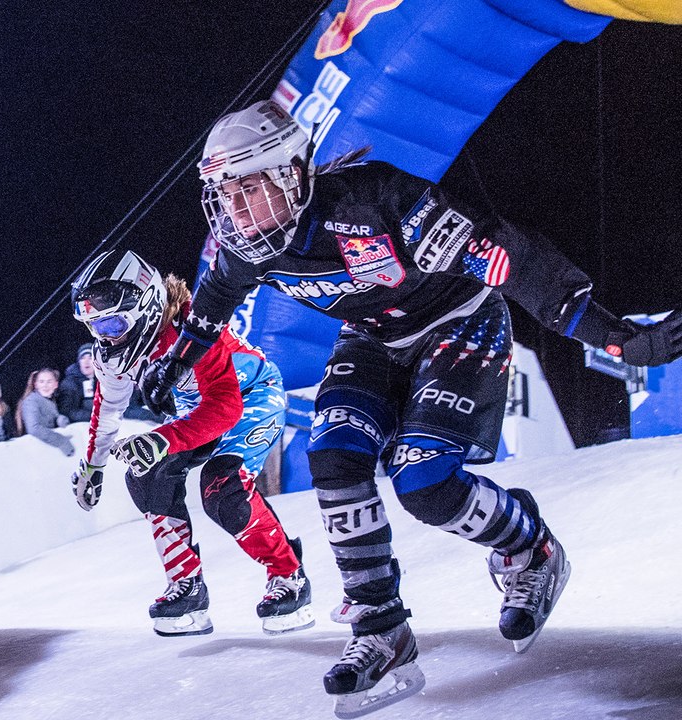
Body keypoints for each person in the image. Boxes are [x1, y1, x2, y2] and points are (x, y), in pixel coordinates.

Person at [139, 100, 682, 715]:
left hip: (458, 323)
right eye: (223, 197)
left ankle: (533, 550)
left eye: (245, 192)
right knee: (334, 458)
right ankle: (379, 629)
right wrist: (173, 364)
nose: (233, 215)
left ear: (290, 174)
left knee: (424, 485)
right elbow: (208, 310)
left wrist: (621, 339)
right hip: (372, 339)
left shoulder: (369, 202)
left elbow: (511, 258)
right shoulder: (250, 248)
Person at [71, 249, 313, 637]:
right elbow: (109, 407)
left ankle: (289, 577)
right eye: (95, 328)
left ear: (145, 307)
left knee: (223, 488)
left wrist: (163, 438)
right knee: (146, 475)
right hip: (196, 408)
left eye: (113, 324)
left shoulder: (192, 332)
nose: (105, 338)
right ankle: (187, 587)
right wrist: (93, 464)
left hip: (252, 397)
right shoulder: (113, 354)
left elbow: (226, 407)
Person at [16, 368, 75, 456]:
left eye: (49, 382)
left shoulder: (50, 400)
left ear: (56, 384)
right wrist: (61, 441)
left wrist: (59, 419)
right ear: (36, 385)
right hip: (33, 451)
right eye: (41, 382)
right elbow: (33, 428)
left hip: (46, 450)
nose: (45, 386)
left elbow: (50, 418)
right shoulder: (31, 401)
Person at [57, 344, 97, 422]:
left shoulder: (105, 379)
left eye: (90, 357)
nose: (86, 362)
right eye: (83, 358)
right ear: (79, 362)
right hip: (78, 426)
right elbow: (66, 411)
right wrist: (95, 416)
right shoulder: (69, 383)